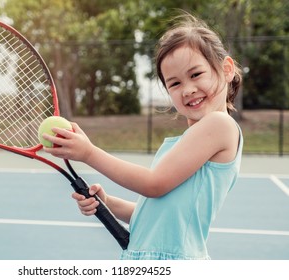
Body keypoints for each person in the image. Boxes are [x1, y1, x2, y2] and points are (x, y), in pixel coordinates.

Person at [42, 12, 243, 260]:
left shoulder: (219, 124)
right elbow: (157, 215)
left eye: (196, 74)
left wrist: (88, 153)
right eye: (175, 83)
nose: (188, 89)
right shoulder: (191, 140)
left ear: (226, 69)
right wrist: (108, 203)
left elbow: (153, 184)